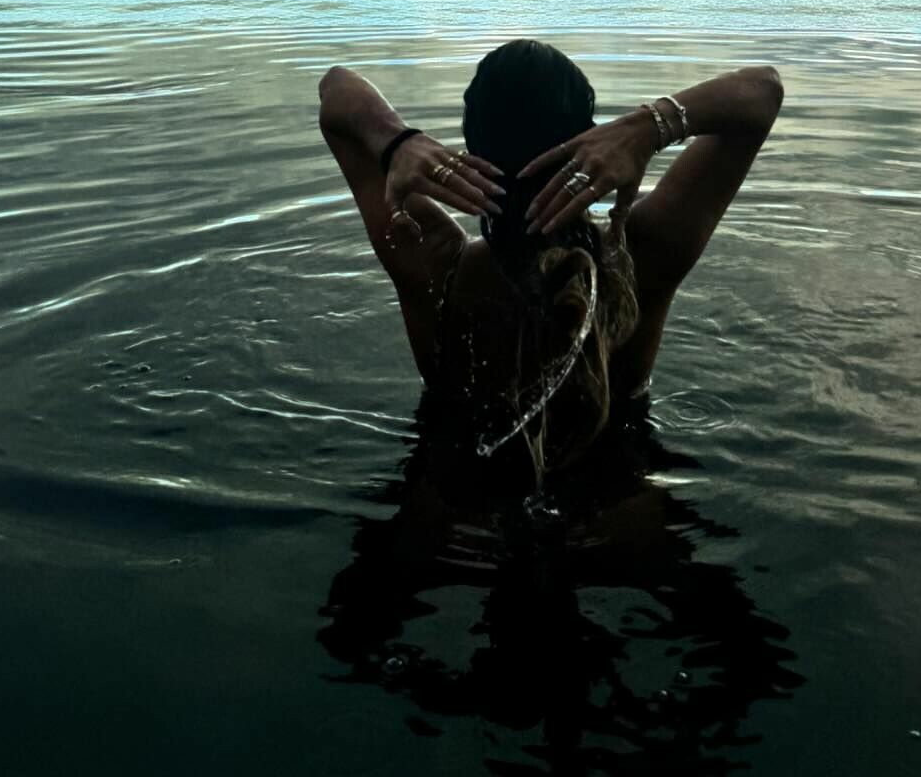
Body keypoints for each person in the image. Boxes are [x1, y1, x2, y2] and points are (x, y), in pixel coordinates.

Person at [318, 44, 783, 486]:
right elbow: (762, 93)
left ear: (469, 147)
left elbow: (336, 90)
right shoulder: (638, 256)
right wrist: (647, 127)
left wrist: (398, 142)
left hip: (457, 501)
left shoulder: (431, 259)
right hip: (616, 505)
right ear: (592, 141)